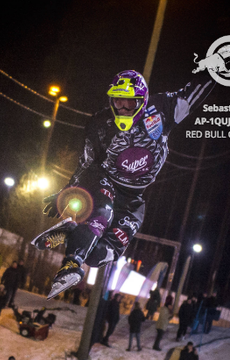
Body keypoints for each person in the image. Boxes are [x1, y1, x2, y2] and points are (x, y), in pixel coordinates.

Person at [31, 70, 214, 298]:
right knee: (102, 214)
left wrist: (215, 70)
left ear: (142, 100)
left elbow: (192, 94)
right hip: (105, 180)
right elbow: (86, 163)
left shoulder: (162, 109)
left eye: (130, 102)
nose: (123, 108)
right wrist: (67, 190)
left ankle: (72, 233)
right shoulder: (100, 123)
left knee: (100, 256)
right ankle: (71, 263)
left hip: (134, 199)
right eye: (118, 101)